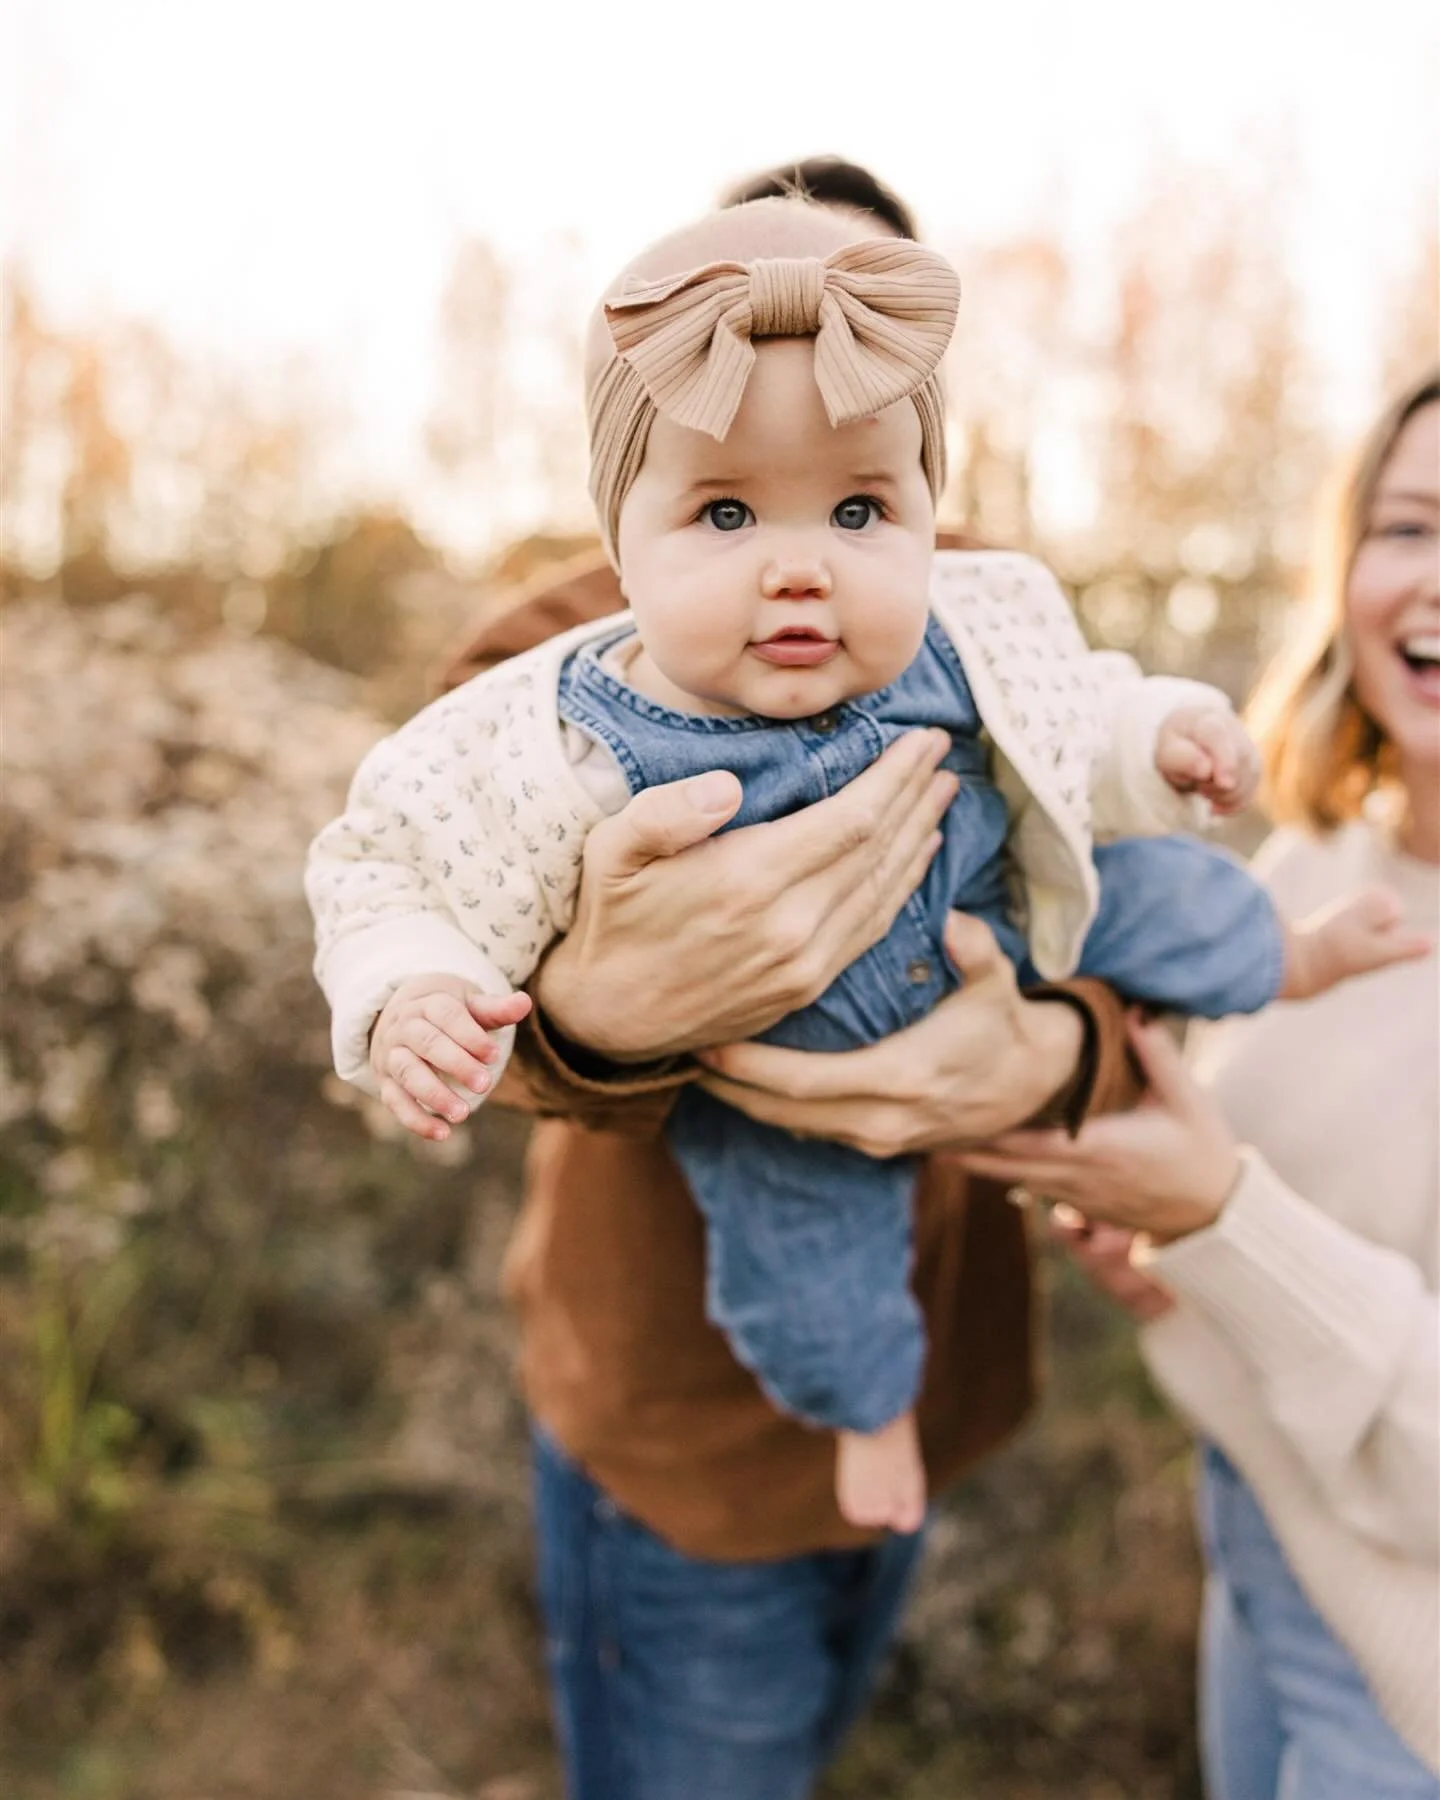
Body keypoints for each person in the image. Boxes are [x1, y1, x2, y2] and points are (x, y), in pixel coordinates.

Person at [308, 194, 1405, 1540]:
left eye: (857, 508)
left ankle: (1286, 960)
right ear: (619, 537)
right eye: (724, 514)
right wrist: (419, 989)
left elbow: (1074, 720)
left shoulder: (972, 625)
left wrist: (1160, 739)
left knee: (1171, 899)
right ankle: (864, 1405)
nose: (799, 570)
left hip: (992, 920)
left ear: (928, 513)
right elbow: (398, 868)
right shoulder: (553, 733)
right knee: (802, 1269)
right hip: (780, 1094)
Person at [959, 369, 1440, 1795]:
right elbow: (1250, 1163)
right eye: (1411, 525)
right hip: (1258, 1524)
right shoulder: (1326, 864)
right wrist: (1157, 1229)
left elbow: (1248, 1211)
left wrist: (1223, 1215)